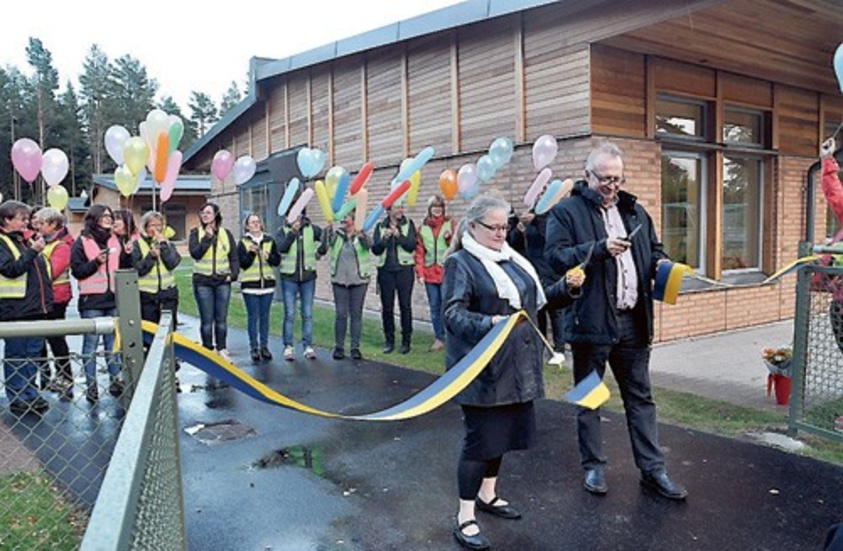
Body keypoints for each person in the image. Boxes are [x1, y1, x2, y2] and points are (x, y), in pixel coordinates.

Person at [544, 140, 687, 500]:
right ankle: (593, 467)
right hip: (591, 324)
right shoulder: (566, 212)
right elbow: (556, 258)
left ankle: (653, 471)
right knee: (590, 398)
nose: (611, 186)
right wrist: (596, 251)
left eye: (617, 179)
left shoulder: (635, 211)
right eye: (604, 178)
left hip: (632, 322)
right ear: (587, 174)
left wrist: (662, 265)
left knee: (640, 399)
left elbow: (654, 249)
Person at [442, 194, 583, 551]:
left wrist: (566, 288)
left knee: (501, 438)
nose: (502, 233)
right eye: (494, 227)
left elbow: (537, 302)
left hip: (516, 369)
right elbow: (452, 315)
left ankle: (489, 495)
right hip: (481, 371)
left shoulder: (513, 260)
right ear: (473, 226)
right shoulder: (461, 262)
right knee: (479, 441)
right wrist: (491, 323)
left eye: (505, 226)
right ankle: (465, 517)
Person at [70, 204, 131, 404]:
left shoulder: (115, 240)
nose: (108, 218)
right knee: (91, 345)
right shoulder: (82, 241)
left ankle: (116, 380)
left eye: (110, 215)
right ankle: (91, 385)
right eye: (104, 215)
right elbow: (77, 271)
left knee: (113, 343)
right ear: (94, 218)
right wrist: (96, 262)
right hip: (92, 300)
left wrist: (128, 254)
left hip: (113, 298)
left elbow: (124, 268)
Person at [0, 201, 52, 415]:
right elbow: (10, 270)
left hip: (34, 307)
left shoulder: (24, 241)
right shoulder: (3, 243)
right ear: (6, 220)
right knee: (17, 353)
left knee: (32, 353)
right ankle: (18, 395)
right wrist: (32, 252)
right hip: (14, 308)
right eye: (21, 219)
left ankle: (31, 392)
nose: (26, 223)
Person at [507, 204, 567, 357]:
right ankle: (540, 346)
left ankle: (559, 348)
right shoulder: (530, 214)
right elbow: (514, 244)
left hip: (551, 269)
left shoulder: (554, 215)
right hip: (534, 270)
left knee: (556, 311)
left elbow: (550, 236)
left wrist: (536, 220)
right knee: (539, 310)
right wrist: (519, 230)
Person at [189, 202, 239, 363]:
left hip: (223, 281)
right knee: (207, 319)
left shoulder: (226, 233)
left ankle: (222, 348)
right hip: (203, 282)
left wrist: (233, 274)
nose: (205, 215)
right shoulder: (195, 233)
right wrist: (207, 238)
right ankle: (208, 349)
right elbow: (195, 254)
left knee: (221, 318)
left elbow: (233, 257)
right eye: (202, 213)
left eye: (208, 212)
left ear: (216, 215)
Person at [275, 208, 327, 362]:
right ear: (287, 216)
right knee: (289, 314)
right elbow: (281, 249)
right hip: (289, 277)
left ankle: (308, 346)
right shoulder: (282, 231)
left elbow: (325, 242)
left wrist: (324, 244)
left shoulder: (312, 229)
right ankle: (288, 346)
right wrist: (292, 233)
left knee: (307, 313)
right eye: (291, 214)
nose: (296, 217)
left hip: (308, 277)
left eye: (298, 213)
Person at [34, 207, 75, 402]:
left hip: (57, 298)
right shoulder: (41, 243)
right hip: (42, 298)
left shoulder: (62, 246)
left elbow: (51, 272)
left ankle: (65, 377)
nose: (38, 227)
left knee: (56, 339)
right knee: (40, 339)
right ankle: (46, 376)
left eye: (42, 223)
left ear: (53, 224)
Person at [326, 210, 372, 360]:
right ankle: (339, 347)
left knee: (356, 315)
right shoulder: (337, 235)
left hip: (359, 280)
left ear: (353, 219)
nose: (343, 220)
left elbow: (369, 246)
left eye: (346, 217)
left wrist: (361, 236)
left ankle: (355, 348)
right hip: (339, 280)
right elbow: (325, 245)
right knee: (340, 314)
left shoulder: (362, 235)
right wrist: (328, 229)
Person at [372, 202, 417, 354]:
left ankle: (406, 341)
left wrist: (399, 236)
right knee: (387, 307)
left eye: (401, 207)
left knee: (405, 306)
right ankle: (389, 341)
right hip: (386, 272)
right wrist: (384, 239)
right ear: (389, 210)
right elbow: (376, 250)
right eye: (397, 207)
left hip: (404, 271)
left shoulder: (408, 224)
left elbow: (412, 245)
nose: (400, 210)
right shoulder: (380, 226)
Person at [237, 213, 281, 362]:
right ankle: (254, 347)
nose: (255, 224)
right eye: (252, 222)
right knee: (252, 317)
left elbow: (276, 261)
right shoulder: (243, 242)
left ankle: (264, 346)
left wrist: (269, 257)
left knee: (265, 317)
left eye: (257, 222)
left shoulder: (269, 240)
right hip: (250, 285)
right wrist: (250, 254)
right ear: (247, 226)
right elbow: (242, 264)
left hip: (267, 285)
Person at [414, 194, 455, 351]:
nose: (437, 210)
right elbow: (419, 252)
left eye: (440, 207)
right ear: (429, 209)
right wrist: (420, 273)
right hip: (430, 273)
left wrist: (449, 239)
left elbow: (457, 247)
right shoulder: (422, 228)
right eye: (434, 207)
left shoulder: (450, 224)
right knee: (435, 306)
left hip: (446, 272)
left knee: (449, 305)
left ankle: (451, 336)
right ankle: (439, 337)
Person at [132, 211, 181, 331]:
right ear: (145, 227)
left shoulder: (168, 243)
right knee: (150, 329)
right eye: (152, 225)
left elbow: (172, 263)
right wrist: (151, 257)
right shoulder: (137, 244)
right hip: (147, 295)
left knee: (169, 329)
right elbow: (138, 269)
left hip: (168, 293)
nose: (156, 229)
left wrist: (163, 244)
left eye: (159, 225)